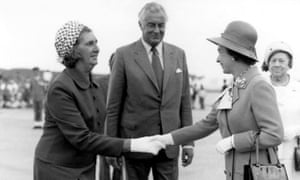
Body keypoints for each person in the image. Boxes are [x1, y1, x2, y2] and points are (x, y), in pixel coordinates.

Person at [33, 21, 165, 180]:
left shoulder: (93, 85)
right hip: (58, 169)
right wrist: (132, 145)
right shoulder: (60, 88)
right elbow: (82, 138)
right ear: (74, 51)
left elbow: (103, 126)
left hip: (85, 167)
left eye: (96, 43)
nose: (97, 48)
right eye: (89, 44)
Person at [157, 21, 284, 180]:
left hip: (259, 173)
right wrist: (164, 139)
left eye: (220, 52)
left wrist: (234, 141)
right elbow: (205, 125)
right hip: (237, 173)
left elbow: (274, 134)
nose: (217, 59)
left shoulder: (258, 86)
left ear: (233, 54)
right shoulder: (236, 86)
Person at [106, 2, 194, 180]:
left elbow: (184, 103)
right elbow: (113, 106)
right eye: (151, 25)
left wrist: (188, 143)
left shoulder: (178, 55)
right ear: (140, 25)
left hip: (168, 145)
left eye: (161, 25)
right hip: (136, 145)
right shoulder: (123, 55)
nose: (156, 30)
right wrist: (112, 146)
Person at [262, 41, 300, 178]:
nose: (277, 64)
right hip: (265, 153)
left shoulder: (298, 88)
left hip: (294, 152)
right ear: (268, 63)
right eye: (273, 60)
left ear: (289, 64)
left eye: (282, 61)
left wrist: (294, 131)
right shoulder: (259, 87)